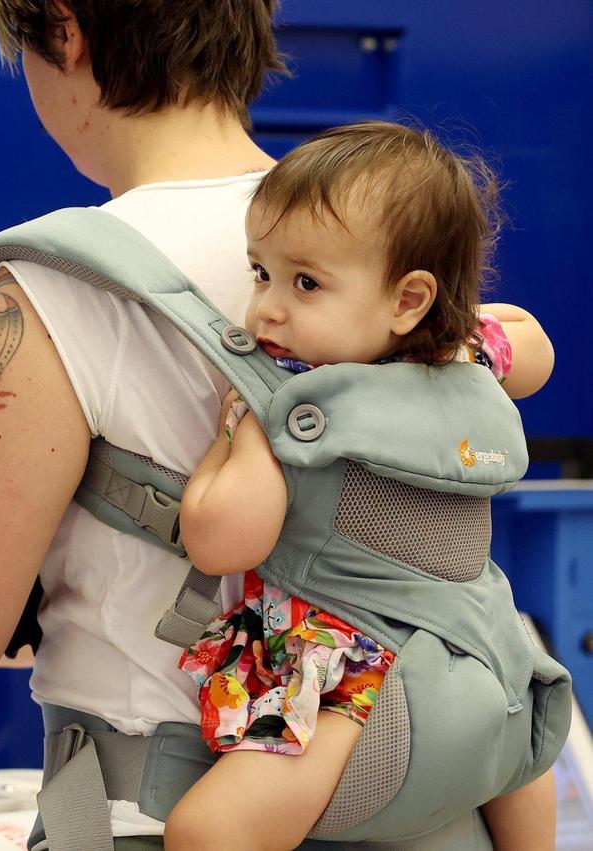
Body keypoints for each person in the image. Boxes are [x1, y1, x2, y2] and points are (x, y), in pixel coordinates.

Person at [0, 1, 556, 846]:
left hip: (160, 811)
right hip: (437, 800)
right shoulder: (371, 241)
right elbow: (511, 347)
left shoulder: (55, 286)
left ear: (67, 31)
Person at [163, 121, 556, 851]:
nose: (267, 309)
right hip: (492, 664)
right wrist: (465, 337)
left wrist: (238, 430)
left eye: (305, 282)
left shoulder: (294, 398)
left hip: (357, 679)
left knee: (205, 829)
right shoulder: (470, 360)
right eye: (260, 272)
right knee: (523, 756)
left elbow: (222, 541)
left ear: (409, 299)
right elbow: (535, 344)